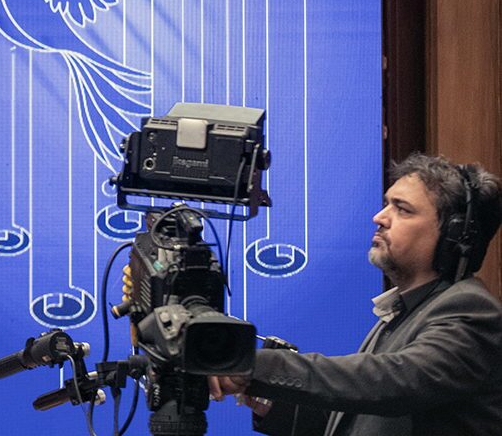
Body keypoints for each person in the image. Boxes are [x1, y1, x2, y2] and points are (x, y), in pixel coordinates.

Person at [210, 153, 502, 436]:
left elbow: (393, 384)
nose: (379, 217)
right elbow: (359, 422)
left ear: (454, 234)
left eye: (402, 209)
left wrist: (256, 366)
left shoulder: (470, 310)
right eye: (386, 204)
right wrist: (273, 404)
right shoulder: (405, 310)